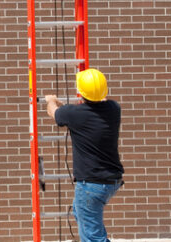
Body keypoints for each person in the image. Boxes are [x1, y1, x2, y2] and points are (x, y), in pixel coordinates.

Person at [44, 68, 124, 242]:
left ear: (81, 92)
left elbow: (54, 112)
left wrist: (51, 100)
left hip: (91, 184)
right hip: (111, 181)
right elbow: (101, 100)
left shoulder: (74, 114)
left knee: (92, 237)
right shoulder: (113, 109)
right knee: (82, 213)